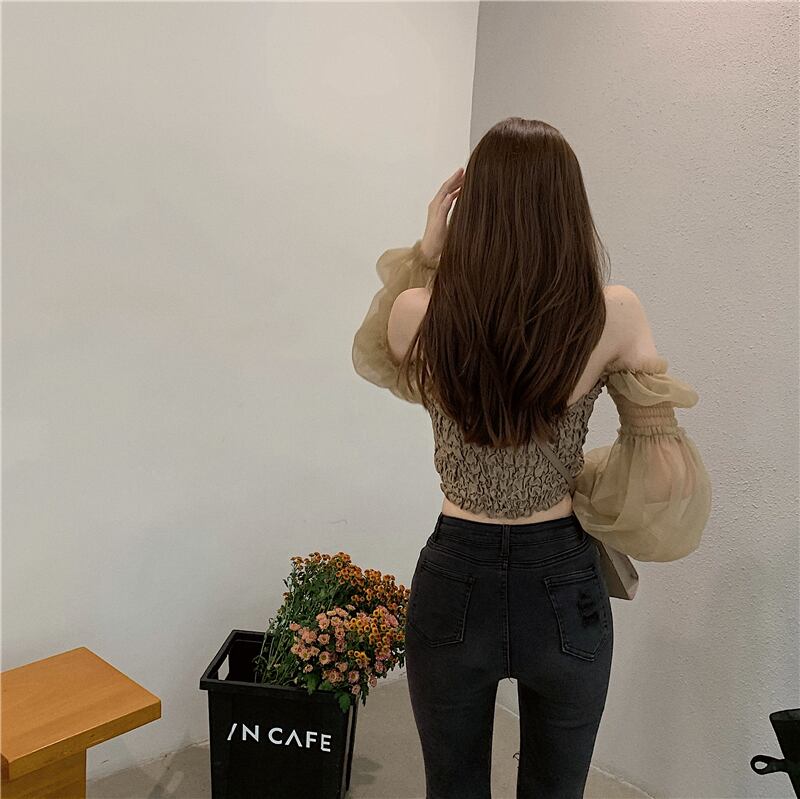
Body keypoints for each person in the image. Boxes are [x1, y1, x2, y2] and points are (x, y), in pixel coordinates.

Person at [351, 117, 712, 799]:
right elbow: (664, 476)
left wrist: (428, 249)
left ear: (472, 210)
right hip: (563, 581)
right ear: (569, 211)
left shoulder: (417, 311)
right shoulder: (614, 313)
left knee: (451, 786)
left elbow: (384, 344)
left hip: (455, 574)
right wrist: (581, 473)